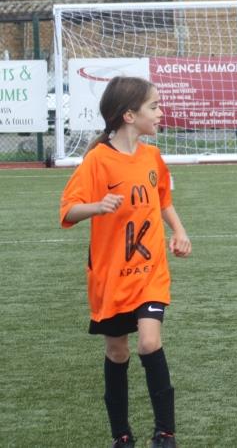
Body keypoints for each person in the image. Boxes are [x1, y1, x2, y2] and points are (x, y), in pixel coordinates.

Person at [60, 76, 192, 448]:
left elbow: (162, 199)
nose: (161, 112)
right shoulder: (98, 160)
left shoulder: (152, 157)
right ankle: (121, 435)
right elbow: (67, 210)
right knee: (117, 351)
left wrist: (179, 231)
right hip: (111, 274)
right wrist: (97, 206)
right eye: (154, 106)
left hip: (150, 271)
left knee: (149, 342)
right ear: (129, 115)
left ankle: (165, 433)